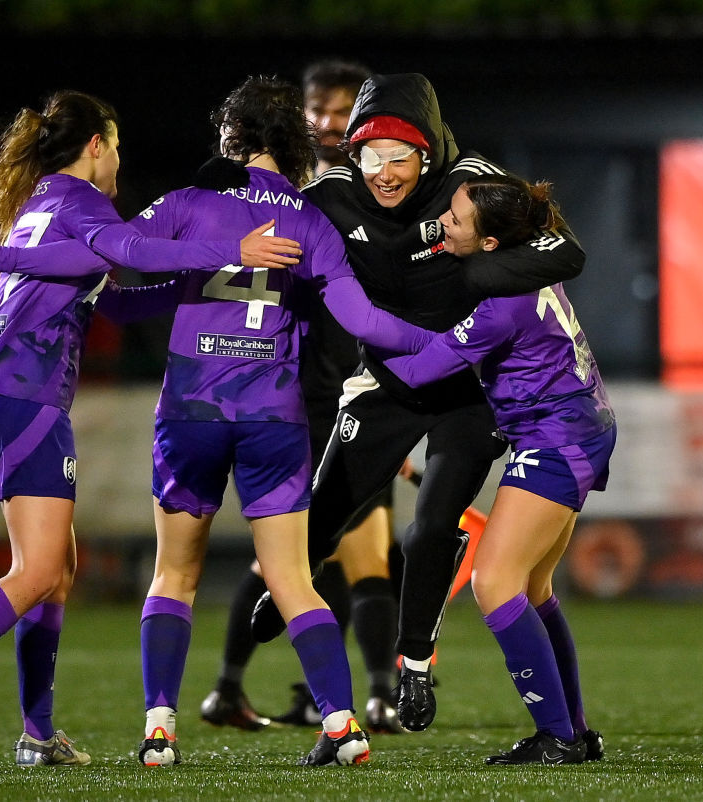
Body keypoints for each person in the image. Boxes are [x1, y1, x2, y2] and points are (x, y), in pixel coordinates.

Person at [0, 89, 301, 769]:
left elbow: (112, 294)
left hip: (8, 397)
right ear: (97, 145)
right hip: (26, 400)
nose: (119, 160)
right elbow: (131, 247)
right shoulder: (81, 205)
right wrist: (234, 245)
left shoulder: (40, 209)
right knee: (38, 570)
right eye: (118, 145)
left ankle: (38, 734)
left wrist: (200, 280)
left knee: (57, 572)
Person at [249, 73, 587, 736]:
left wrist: (484, 279)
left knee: (432, 528)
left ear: (429, 154)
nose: (382, 171)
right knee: (321, 519)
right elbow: (249, 236)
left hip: (470, 388)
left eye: (398, 154)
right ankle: (282, 588)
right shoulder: (331, 194)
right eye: (369, 154)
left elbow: (563, 248)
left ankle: (415, 662)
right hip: (389, 381)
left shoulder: (472, 181)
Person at [199, 58, 409, 736]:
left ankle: (327, 693)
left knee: (343, 555)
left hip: (344, 390)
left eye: (338, 111)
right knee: (308, 556)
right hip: (305, 393)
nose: (324, 121)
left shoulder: (359, 190)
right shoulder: (297, 198)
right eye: (314, 109)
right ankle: (360, 697)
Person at [383, 173, 614, 764]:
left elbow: (419, 369)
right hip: (579, 428)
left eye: (456, 220)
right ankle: (574, 732)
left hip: (556, 438)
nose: (444, 225)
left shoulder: (499, 305)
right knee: (533, 587)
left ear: (490, 245)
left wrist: (356, 324)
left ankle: (558, 736)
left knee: (493, 584)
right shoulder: (526, 266)